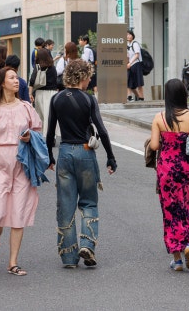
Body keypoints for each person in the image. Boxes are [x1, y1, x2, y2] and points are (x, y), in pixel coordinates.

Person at [46, 59, 117, 268]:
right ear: (83, 77)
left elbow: (50, 132)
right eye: (88, 77)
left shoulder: (56, 99)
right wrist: (111, 157)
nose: (89, 81)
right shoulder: (88, 99)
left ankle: (68, 256)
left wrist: (50, 156)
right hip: (86, 153)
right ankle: (87, 243)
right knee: (88, 202)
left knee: (66, 205)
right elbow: (101, 130)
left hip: (65, 152)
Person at [0, 66, 43, 277]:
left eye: (17, 77)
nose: (17, 81)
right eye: (12, 77)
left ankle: (13, 262)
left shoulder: (25, 106)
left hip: (22, 163)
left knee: (18, 212)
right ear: (2, 82)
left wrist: (29, 136)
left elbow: (38, 130)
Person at [149, 78, 189, 271]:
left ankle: (177, 258)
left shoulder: (160, 118)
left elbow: (155, 145)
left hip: (167, 169)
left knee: (171, 210)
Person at [31, 48, 59, 124]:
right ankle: (49, 133)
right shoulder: (52, 68)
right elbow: (55, 81)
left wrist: (30, 93)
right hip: (51, 93)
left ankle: (41, 133)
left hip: (39, 93)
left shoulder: (38, 67)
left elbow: (32, 81)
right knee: (50, 115)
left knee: (40, 116)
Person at [126, 30, 144, 101]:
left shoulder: (135, 44)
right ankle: (129, 97)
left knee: (139, 82)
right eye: (127, 35)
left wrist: (130, 63)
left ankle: (141, 98)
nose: (128, 36)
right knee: (129, 81)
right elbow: (128, 56)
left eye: (130, 34)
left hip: (136, 64)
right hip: (130, 65)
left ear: (132, 36)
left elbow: (137, 55)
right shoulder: (127, 45)